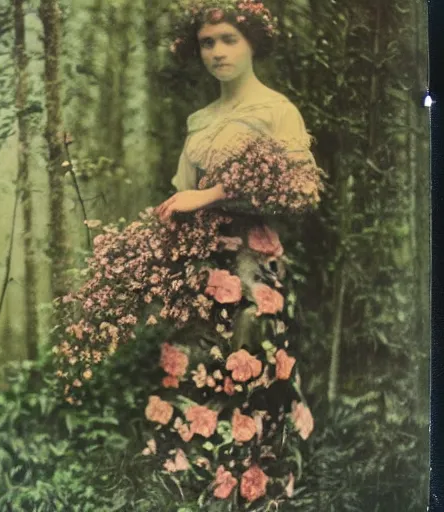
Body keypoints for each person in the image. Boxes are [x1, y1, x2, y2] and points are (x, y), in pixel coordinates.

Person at [56, 0, 322, 507]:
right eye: (207, 42)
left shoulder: (275, 109)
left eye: (229, 40)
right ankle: (195, 485)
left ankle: (255, 490)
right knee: (195, 368)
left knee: (247, 367)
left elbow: (301, 191)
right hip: (199, 264)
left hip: (252, 267)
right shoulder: (201, 119)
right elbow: (182, 192)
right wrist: (160, 242)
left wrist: (212, 194)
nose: (218, 52)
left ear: (251, 45)